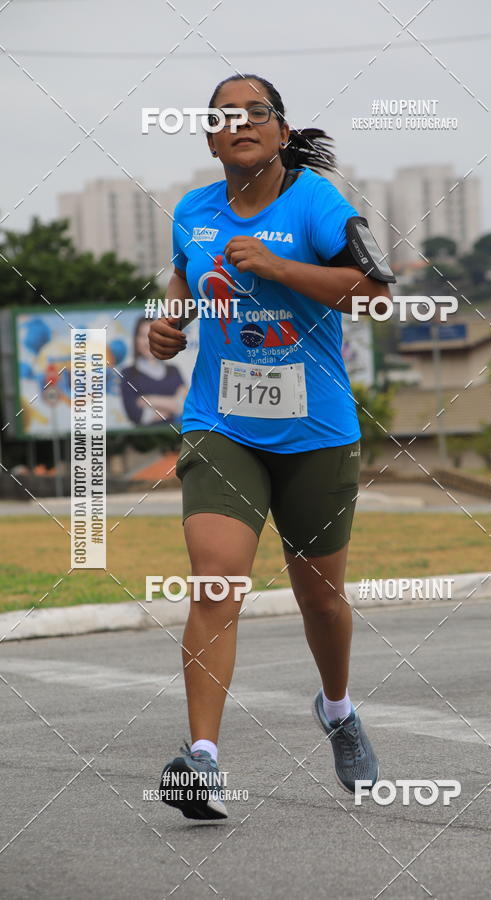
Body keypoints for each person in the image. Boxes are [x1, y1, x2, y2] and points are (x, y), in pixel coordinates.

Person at [148, 73, 394, 821]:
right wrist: (167, 325)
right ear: (210, 139)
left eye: (257, 112)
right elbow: (184, 281)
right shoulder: (193, 211)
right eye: (225, 116)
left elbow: (376, 296)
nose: (241, 123)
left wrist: (280, 267)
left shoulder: (317, 202)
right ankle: (203, 762)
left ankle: (338, 709)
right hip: (221, 424)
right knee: (216, 582)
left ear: (282, 132)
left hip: (317, 431)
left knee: (320, 599)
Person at [120, 317, 186, 425]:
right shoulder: (128, 374)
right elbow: (136, 416)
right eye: (143, 335)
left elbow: (185, 407)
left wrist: (148, 400)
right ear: (136, 339)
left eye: (153, 335)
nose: (148, 341)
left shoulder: (174, 371)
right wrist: (172, 405)